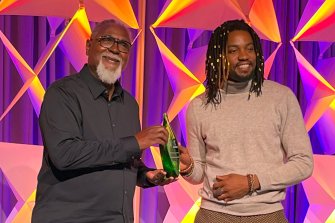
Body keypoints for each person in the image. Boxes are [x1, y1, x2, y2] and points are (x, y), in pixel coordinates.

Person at [32, 19, 175, 223]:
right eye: (107, 40)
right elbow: (64, 155)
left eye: (124, 45)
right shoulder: (62, 94)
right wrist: (135, 142)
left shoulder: (130, 105)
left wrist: (145, 175)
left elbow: (120, 158)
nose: (116, 49)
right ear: (89, 46)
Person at [178, 20, 313, 222]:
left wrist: (252, 182)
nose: (244, 56)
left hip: (267, 216)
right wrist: (188, 166)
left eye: (249, 49)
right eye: (233, 50)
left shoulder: (280, 98)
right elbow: (198, 175)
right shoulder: (199, 106)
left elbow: (303, 163)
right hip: (214, 215)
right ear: (218, 57)